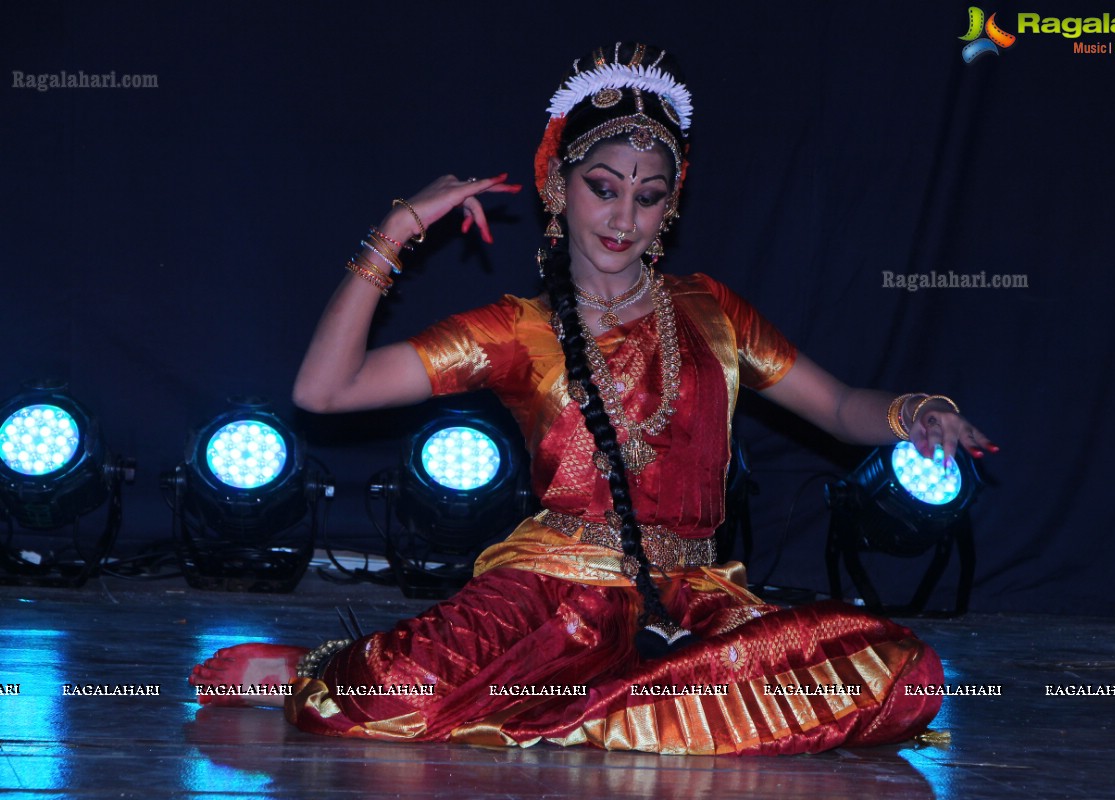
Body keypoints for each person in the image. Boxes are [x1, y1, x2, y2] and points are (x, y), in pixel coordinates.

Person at [190, 43, 997, 756]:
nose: (623, 217)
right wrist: (396, 230)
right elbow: (323, 390)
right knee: (365, 702)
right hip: (546, 590)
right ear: (557, 186)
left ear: (669, 205)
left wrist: (916, 413)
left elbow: (842, 405)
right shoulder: (514, 330)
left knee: (900, 676)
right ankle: (592, 709)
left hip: (691, 604)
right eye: (603, 188)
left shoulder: (712, 312)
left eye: (648, 197)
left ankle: (563, 714)